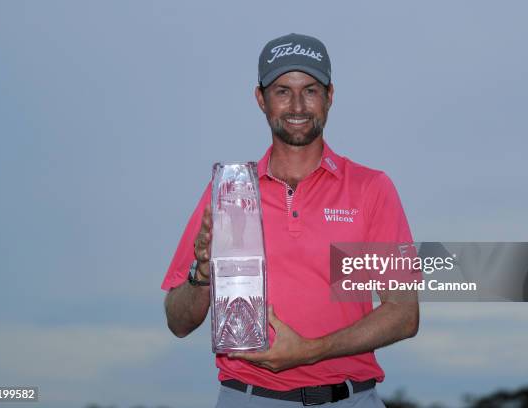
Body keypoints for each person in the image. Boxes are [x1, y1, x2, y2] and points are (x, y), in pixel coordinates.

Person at [162, 33, 419, 407]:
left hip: (350, 399)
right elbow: (178, 322)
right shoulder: (229, 190)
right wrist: (202, 275)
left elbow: (404, 314)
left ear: (329, 96)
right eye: (282, 91)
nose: (297, 105)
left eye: (310, 90)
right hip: (248, 397)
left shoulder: (370, 189)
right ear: (261, 99)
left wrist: (310, 351)